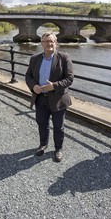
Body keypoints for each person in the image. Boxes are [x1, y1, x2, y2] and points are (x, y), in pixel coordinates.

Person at [25, 32, 74, 162]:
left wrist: (55, 86)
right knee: (42, 123)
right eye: (46, 41)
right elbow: (28, 76)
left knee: (58, 126)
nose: (49, 44)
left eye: (51, 41)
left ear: (56, 42)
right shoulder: (35, 58)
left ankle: (58, 149)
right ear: (42, 44)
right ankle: (43, 144)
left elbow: (69, 79)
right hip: (40, 98)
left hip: (58, 99)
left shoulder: (64, 57)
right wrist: (33, 86)